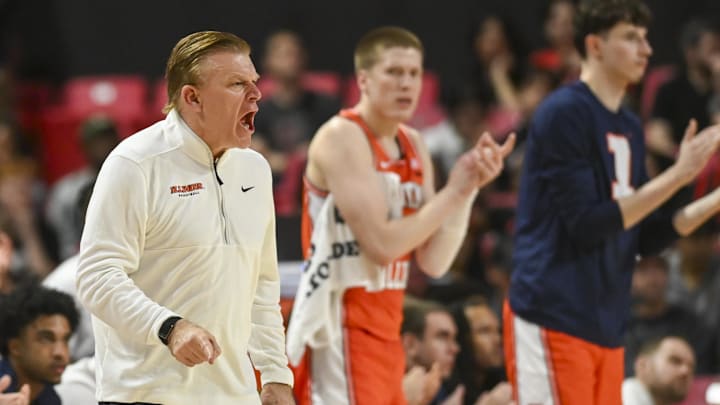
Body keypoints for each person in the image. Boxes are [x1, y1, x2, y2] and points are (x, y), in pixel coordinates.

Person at [504, 1, 720, 404]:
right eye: (631, 38)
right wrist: (678, 175)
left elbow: (644, 237)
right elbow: (587, 225)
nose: (647, 50)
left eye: (646, 38)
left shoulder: (629, 125)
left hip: (605, 324)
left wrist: (714, 200)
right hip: (553, 313)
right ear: (595, 45)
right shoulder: (564, 113)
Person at [285, 26, 514, 405]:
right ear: (364, 80)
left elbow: (434, 261)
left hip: (388, 329)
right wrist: (452, 192)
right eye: (393, 72)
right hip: (340, 327)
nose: (406, 84)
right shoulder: (341, 136)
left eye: (414, 73)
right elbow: (382, 245)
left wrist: (468, 190)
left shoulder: (413, 144)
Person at [75, 31, 294, 404]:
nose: (256, 95)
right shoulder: (135, 163)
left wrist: (275, 372)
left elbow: (262, 284)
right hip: (145, 395)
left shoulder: (254, 170)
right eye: (237, 84)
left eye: (254, 83)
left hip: (233, 395)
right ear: (192, 97)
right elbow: (97, 276)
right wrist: (168, 328)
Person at [45, 115, 119, 260]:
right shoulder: (65, 190)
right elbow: (55, 232)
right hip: (74, 260)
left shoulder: (132, 180)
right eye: (96, 141)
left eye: (107, 138)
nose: (103, 145)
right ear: (84, 146)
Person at [0, 284, 78, 405]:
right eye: (46, 339)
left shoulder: (51, 398)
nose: (61, 353)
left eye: (65, 340)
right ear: (15, 346)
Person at [401, 298, 462, 405]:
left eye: (454, 338)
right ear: (410, 344)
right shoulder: (381, 390)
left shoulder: (437, 388)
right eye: (442, 337)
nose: (455, 348)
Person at [622, 336, 695, 405]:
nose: (685, 371)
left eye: (691, 367)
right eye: (675, 361)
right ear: (643, 366)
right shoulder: (621, 398)